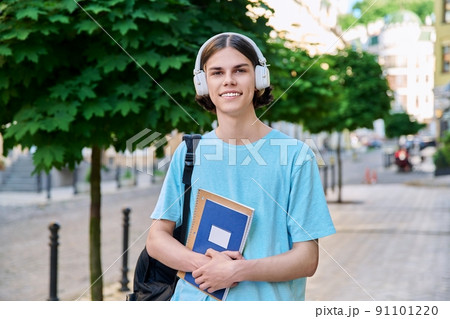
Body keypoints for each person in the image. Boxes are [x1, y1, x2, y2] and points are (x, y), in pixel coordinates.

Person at [146, 32, 336, 301]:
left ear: (260, 78)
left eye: (240, 70)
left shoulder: (296, 156)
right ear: (203, 84)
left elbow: (307, 259)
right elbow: (156, 239)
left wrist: (237, 271)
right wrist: (207, 268)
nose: (229, 81)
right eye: (216, 73)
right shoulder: (189, 153)